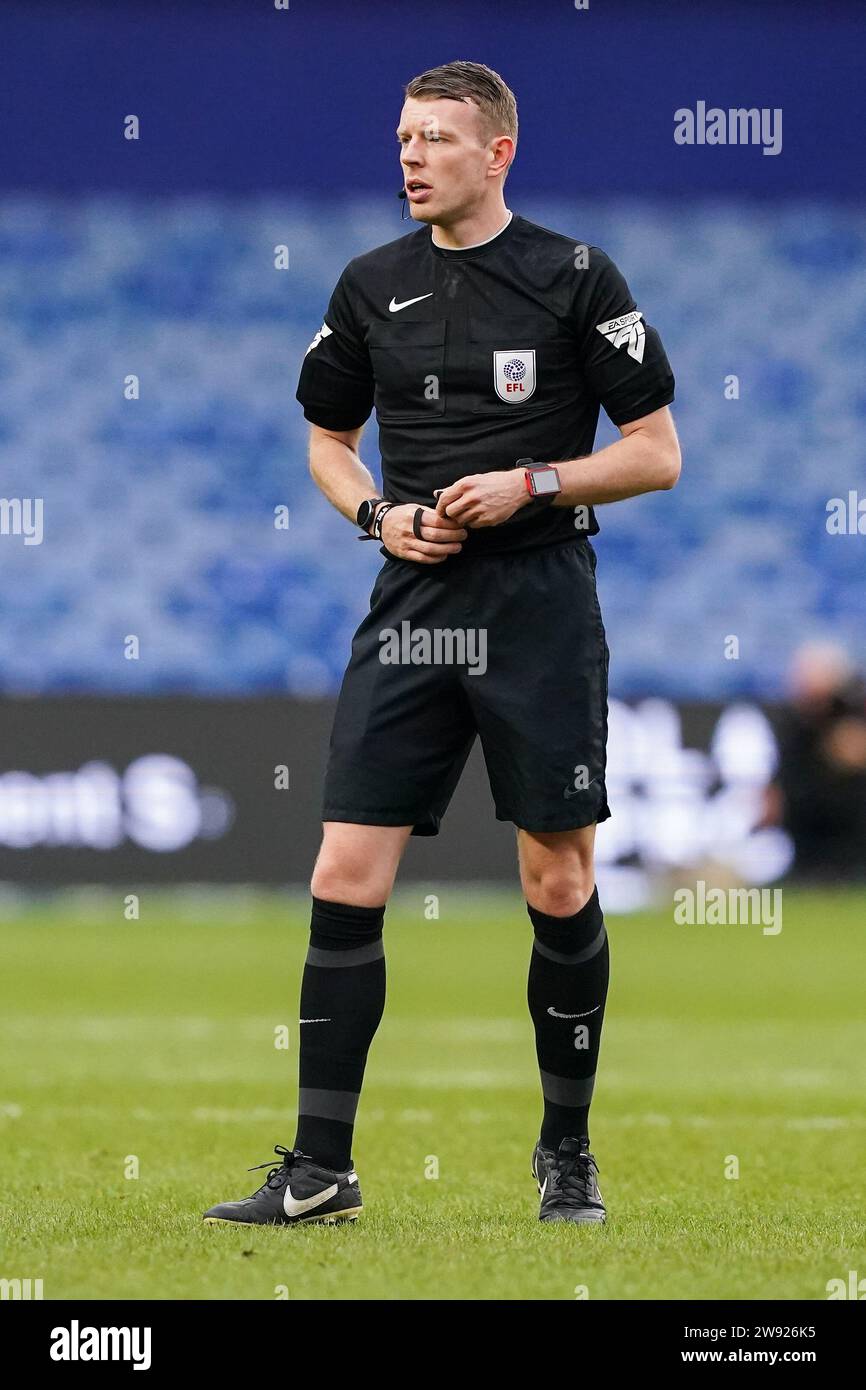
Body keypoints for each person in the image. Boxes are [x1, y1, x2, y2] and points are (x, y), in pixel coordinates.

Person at [203, 59, 680, 1228]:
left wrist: (533, 479)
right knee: (341, 873)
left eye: (435, 139)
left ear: (496, 152)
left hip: (539, 604)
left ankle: (564, 1153)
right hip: (411, 609)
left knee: (554, 876)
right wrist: (375, 512)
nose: (410, 156)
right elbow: (325, 439)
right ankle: (320, 1169)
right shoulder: (369, 284)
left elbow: (656, 451)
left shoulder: (574, 276)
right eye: (402, 137)